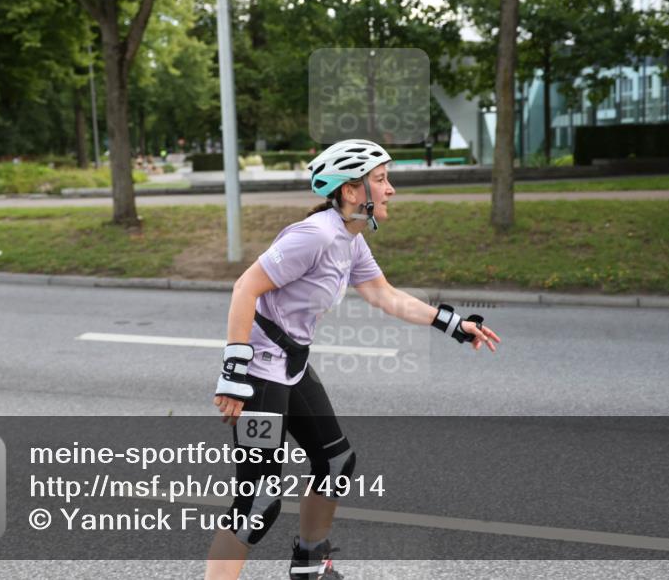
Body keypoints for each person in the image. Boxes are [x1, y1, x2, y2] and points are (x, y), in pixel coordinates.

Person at [205, 139, 501, 580]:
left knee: (336, 462)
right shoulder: (316, 235)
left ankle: (309, 565)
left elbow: (385, 295)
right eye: (380, 180)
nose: (390, 189)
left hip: (291, 367)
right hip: (259, 375)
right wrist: (233, 375)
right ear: (350, 191)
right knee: (258, 502)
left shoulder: (349, 238)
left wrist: (453, 324)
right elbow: (245, 288)